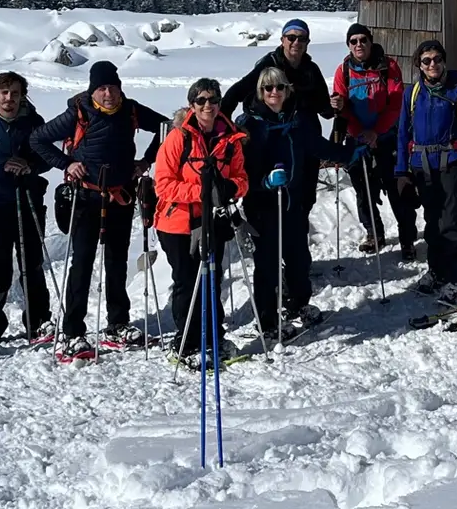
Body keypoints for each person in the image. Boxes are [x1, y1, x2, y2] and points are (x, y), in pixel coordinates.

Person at [30, 60, 170, 357]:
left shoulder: (130, 110)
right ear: (93, 90)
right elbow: (38, 138)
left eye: (113, 87)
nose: (108, 94)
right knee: (81, 264)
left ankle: (117, 324)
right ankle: (72, 331)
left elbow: (165, 127)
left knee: (117, 262)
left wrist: (146, 161)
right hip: (86, 198)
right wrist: (68, 163)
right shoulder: (78, 113)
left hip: (120, 197)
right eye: (102, 88)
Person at [154, 78, 250, 363]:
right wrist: (203, 192)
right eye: (201, 101)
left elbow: (241, 177)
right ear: (192, 105)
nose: (208, 106)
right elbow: (163, 185)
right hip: (178, 223)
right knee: (186, 281)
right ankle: (187, 342)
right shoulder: (178, 138)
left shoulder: (230, 138)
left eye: (213, 100)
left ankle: (213, 335)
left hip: (214, 221)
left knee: (212, 279)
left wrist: (231, 188)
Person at [240, 66, 335, 340]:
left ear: (287, 89)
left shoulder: (297, 120)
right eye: (268, 88)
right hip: (262, 205)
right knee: (267, 262)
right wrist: (263, 182)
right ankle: (267, 320)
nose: (274, 92)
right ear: (260, 91)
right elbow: (241, 170)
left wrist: (351, 153)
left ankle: (300, 303)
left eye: (279, 87)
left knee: (298, 256)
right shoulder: (250, 124)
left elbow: (318, 146)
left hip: (293, 201)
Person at [0, 71, 54, 349]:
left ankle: (38, 320)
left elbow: (47, 159)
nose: (9, 98)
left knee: (32, 264)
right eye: (4, 93)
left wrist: (29, 167)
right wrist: (0, 168)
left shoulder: (35, 123)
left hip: (28, 201)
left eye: (15, 93)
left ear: (22, 96)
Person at [394, 39, 457, 303]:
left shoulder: (456, 90)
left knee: (449, 221)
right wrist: (401, 171)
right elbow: (402, 132)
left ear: (444, 61)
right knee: (432, 221)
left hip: (449, 160)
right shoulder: (413, 93)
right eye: (426, 60)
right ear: (419, 65)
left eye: (437, 59)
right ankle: (437, 271)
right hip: (421, 163)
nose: (432, 64)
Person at [329, 23, 414, 260]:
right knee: (362, 189)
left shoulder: (388, 66)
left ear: (370, 41)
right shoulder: (343, 70)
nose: (359, 45)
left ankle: (407, 238)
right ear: (348, 45)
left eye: (363, 40)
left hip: (387, 136)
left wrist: (376, 132)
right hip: (357, 138)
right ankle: (373, 233)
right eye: (353, 41)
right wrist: (358, 132)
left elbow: (396, 104)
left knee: (396, 188)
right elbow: (343, 107)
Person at [221, 18, 334, 121]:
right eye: (291, 38)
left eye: (302, 38)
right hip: (264, 125)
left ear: (307, 42)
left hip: (297, 127)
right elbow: (237, 92)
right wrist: (223, 124)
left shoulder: (311, 70)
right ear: (282, 40)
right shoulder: (269, 64)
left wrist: (335, 105)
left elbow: (324, 108)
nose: (296, 42)